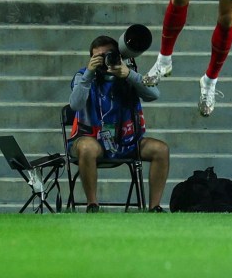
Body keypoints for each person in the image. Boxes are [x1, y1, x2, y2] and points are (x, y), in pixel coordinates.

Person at [68, 35, 170, 213]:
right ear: (91, 58)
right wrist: (89, 74)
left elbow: (154, 94)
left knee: (160, 149)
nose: (104, 60)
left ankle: (155, 207)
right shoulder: (82, 75)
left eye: (108, 55)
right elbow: (75, 104)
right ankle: (92, 205)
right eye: (98, 57)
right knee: (87, 148)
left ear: (118, 55)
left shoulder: (128, 74)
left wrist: (130, 75)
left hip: (126, 142)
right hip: (92, 140)